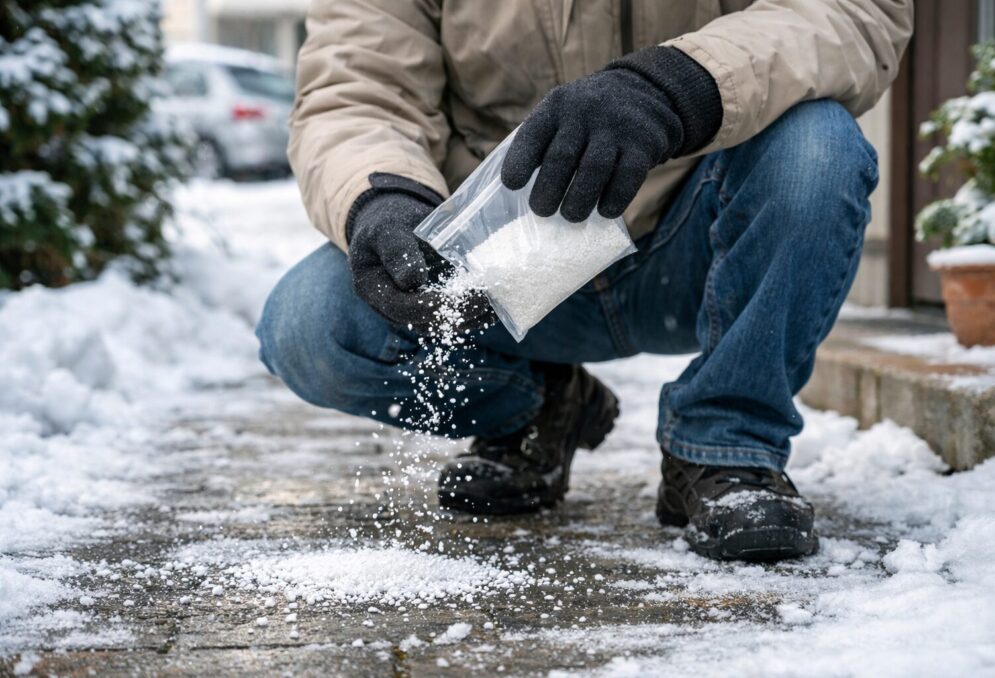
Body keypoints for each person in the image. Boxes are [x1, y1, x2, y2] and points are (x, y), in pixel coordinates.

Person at [257, 0, 913, 561]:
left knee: (817, 145)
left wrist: (673, 86)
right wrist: (386, 198)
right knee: (312, 326)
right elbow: (358, 88)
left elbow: (850, 13)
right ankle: (539, 408)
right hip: (506, 259)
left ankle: (725, 446)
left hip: (701, 229)